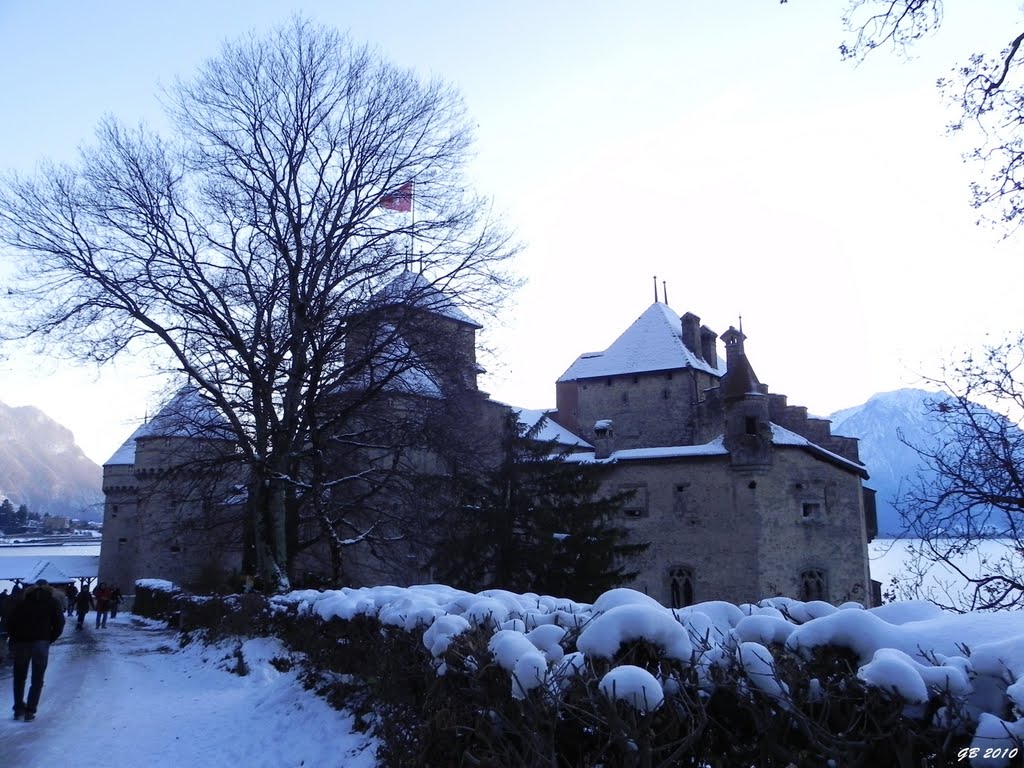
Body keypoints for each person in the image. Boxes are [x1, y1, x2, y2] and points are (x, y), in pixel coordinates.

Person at [8, 578, 65, 721]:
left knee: (19, 678)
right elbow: (59, 623)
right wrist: (49, 638)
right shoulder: (53, 602)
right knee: (37, 678)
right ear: (48, 587)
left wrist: (14, 639)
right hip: (41, 642)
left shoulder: (22, 602)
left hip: (21, 643)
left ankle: (18, 709)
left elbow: (11, 622)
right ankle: (30, 711)